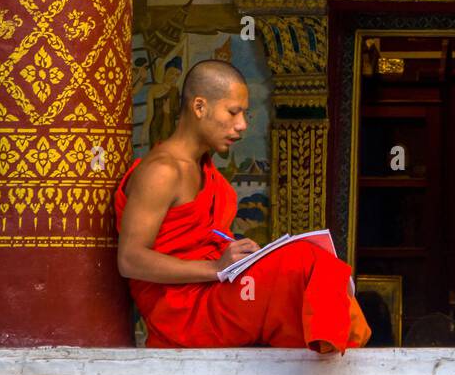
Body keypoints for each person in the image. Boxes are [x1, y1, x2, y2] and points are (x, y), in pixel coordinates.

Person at [115, 59, 371, 355]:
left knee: (311, 261)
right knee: (304, 260)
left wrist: (242, 260)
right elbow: (130, 260)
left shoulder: (205, 171)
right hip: (185, 310)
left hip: (213, 291)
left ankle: (339, 349)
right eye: (233, 112)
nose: (242, 125)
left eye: (244, 114)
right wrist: (215, 267)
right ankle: (341, 351)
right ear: (200, 107)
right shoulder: (162, 171)